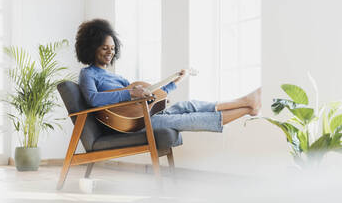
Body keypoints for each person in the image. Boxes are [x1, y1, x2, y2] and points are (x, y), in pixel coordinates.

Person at [76, 19, 261, 133]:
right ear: (92, 48)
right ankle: (247, 106)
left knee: (188, 105)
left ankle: (245, 103)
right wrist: (131, 94)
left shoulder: (118, 79)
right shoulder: (87, 74)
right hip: (128, 127)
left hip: (144, 117)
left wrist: (175, 83)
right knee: (185, 120)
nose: (110, 52)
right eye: (104, 48)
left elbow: (147, 98)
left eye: (113, 48)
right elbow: (93, 99)